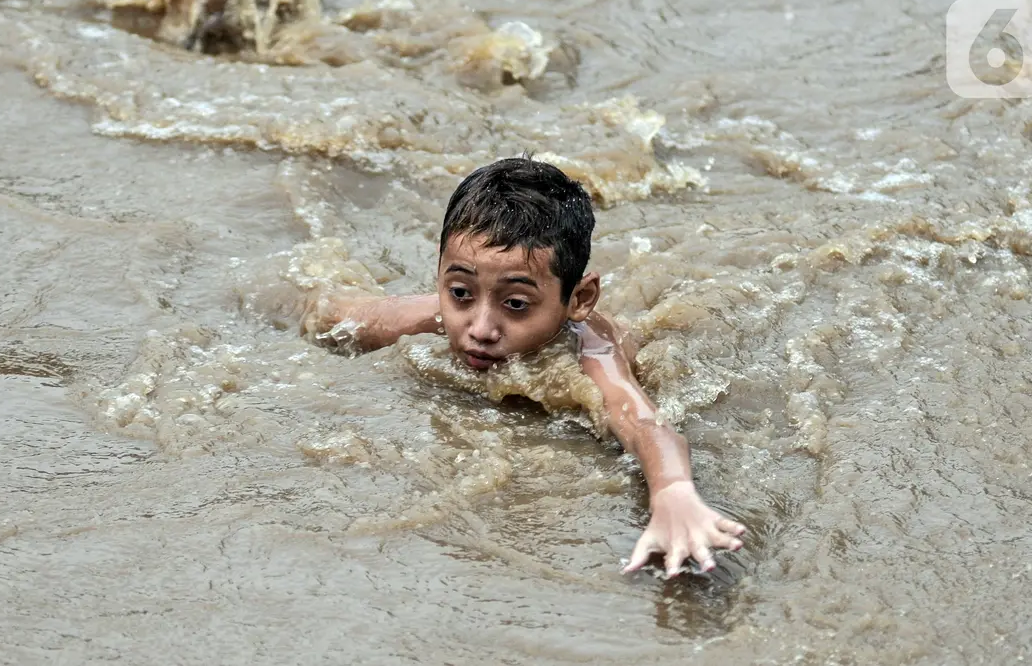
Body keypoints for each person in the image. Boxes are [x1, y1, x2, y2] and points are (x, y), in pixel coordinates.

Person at [304, 155, 745, 578]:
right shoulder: (429, 318)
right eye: (459, 292)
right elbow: (324, 311)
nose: (480, 328)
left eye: (515, 304)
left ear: (579, 299)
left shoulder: (592, 353)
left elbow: (641, 419)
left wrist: (672, 492)